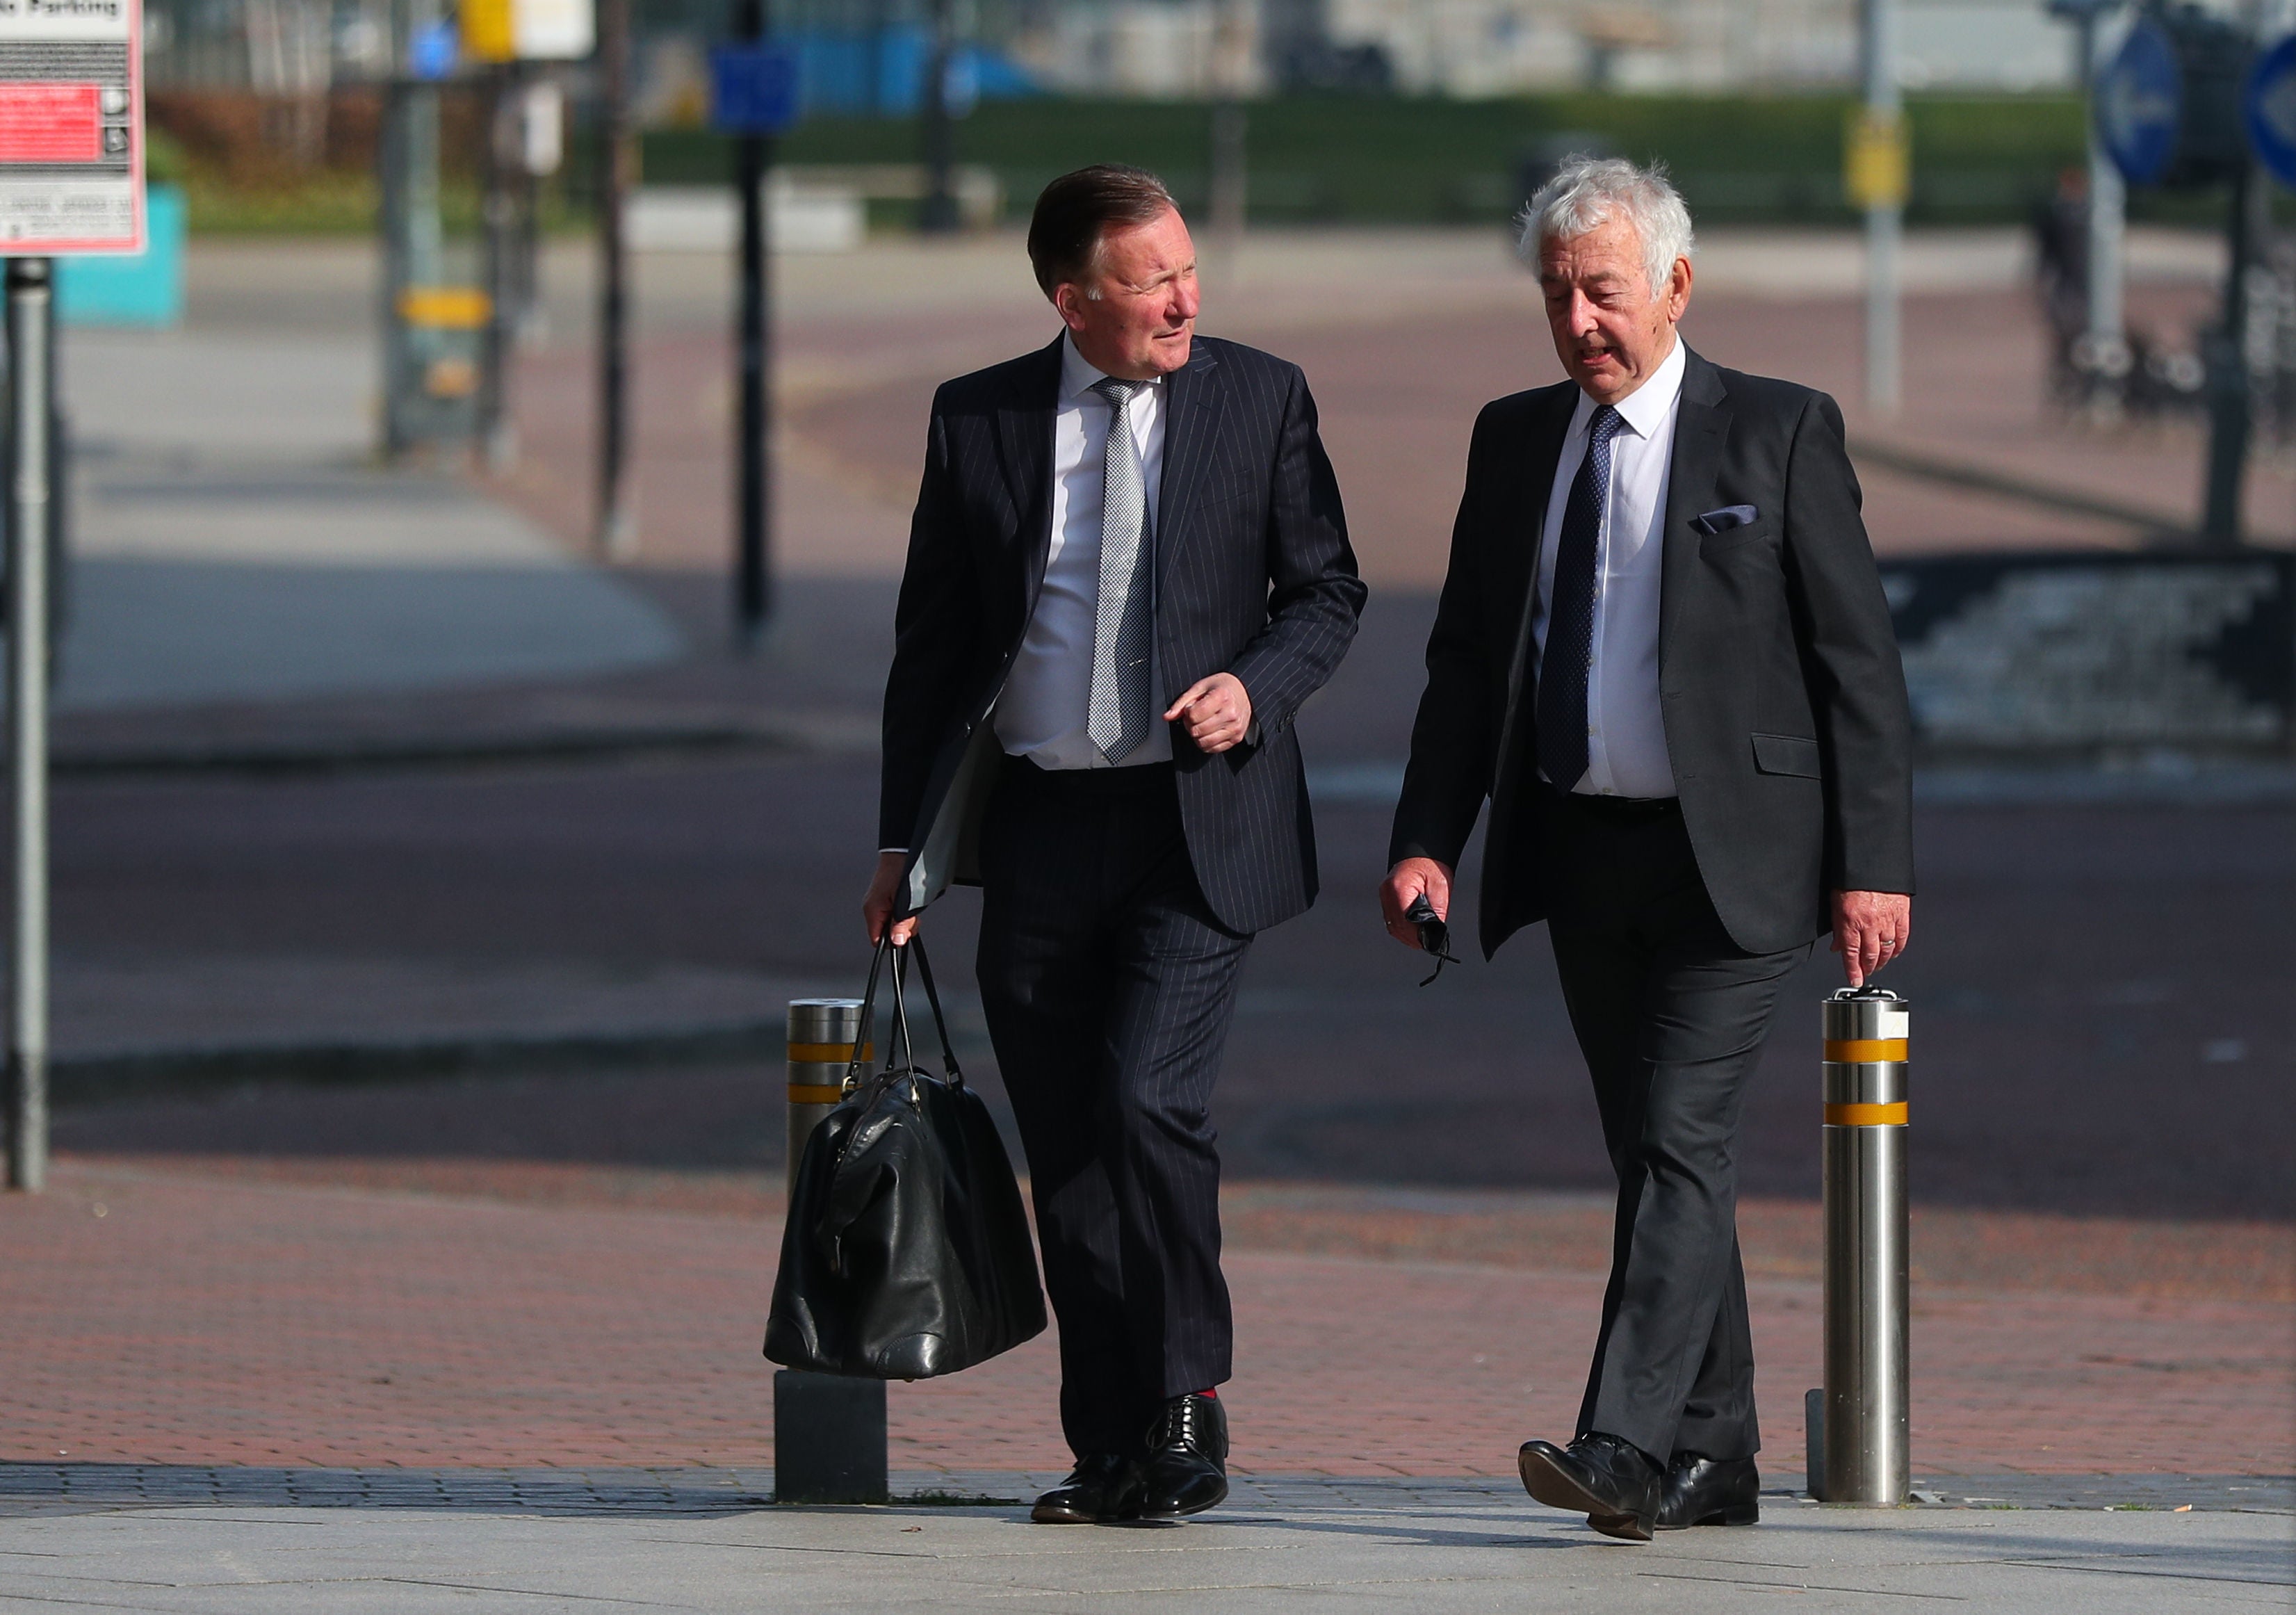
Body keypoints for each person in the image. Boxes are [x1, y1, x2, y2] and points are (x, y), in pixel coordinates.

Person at [1379, 157, 1913, 1542]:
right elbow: (1463, 664)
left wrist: (1873, 862)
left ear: (1675, 286)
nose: (1576, 323)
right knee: (1660, 1157)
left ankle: (1619, 1445)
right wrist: (1427, 838)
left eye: (1600, 292)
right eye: (1554, 296)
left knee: (1678, 1141)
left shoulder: (1776, 434)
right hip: (1578, 851)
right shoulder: (1512, 442)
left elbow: (1855, 666)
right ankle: (1715, 1456)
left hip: (1732, 862)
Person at [865, 165, 1365, 1525]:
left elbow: (1325, 589)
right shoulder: (978, 420)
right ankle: (1106, 1443)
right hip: (1034, 828)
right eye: (1152, 281)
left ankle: (1188, 1400)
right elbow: (933, 648)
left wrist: (1256, 685)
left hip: (1192, 830)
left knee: (1148, 1100)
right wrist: (903, 848)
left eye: (1189, 270)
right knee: (1070, 1148)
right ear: (1071, 298)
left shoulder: (1257, 398)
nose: (1184, 298)